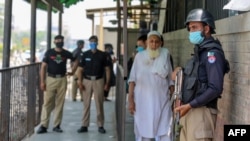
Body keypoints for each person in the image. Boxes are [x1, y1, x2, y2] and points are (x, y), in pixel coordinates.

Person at [174, 8, 229, 141]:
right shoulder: (200, 53)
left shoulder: (212, 54)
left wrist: (190, 105)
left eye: (195, 27)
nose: (191, 31)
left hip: (201, 114)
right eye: (190, 28)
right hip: (190, 112)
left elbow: (215, 88)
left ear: (206, 28)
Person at [128, 30, 174, 141]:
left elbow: (170, 79)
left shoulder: (165, 54)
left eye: (157, 42)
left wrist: (174, 100)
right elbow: (132, 80)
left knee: (165, 130)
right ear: (147, 42)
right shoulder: (139, 56)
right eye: (151, 41)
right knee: (143, 132)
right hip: (143, 102)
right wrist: (130, 100)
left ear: (161, 43)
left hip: (162, 101)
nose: (154, 44)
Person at [37, 35, 78, 134]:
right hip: (50, 78)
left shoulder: (66, 53)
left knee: (60, 103)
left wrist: (72, 71)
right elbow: (43, 67)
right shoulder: (49, 52)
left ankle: (56, 125)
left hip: (62, 79)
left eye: (61, 40)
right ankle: (44, 125)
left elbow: (76, 60)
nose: (60, 42)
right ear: (54, 41)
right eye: (58, 40)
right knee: (47, 102)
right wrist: (42, 82)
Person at [77, 35, 110, 134]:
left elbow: (107, 69)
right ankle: (84, 125)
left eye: (94, 42)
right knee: (86, 104)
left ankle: (100, 125)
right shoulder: (85, 54)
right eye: (91, 42)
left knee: (99, 103)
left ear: (97, 43)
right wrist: (79, 81)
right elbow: (80, 69)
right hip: (87, 80)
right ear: (89, 43)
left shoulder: (103, 55)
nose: (93, 44)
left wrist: (107, 83)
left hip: (99, 80)